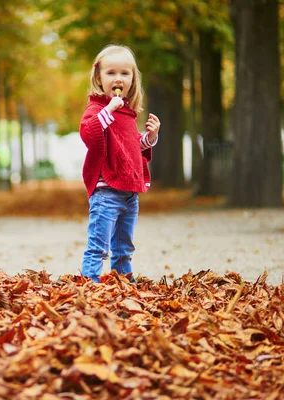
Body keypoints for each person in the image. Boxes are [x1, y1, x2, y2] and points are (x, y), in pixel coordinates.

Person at [79, 44, 161, 283]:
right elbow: (89, 133)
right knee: (98, 246)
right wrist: (108, 109)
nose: (118, 78)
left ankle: (124, 284)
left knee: (124, 247)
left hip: (128, 193)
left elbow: (130, 146)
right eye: (111, 73)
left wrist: (150, 138)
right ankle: (89, 285)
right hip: (106, 192)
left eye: (125, 73)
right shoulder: (96, 108)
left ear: (133, 79)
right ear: (99, 77)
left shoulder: (128, 112)